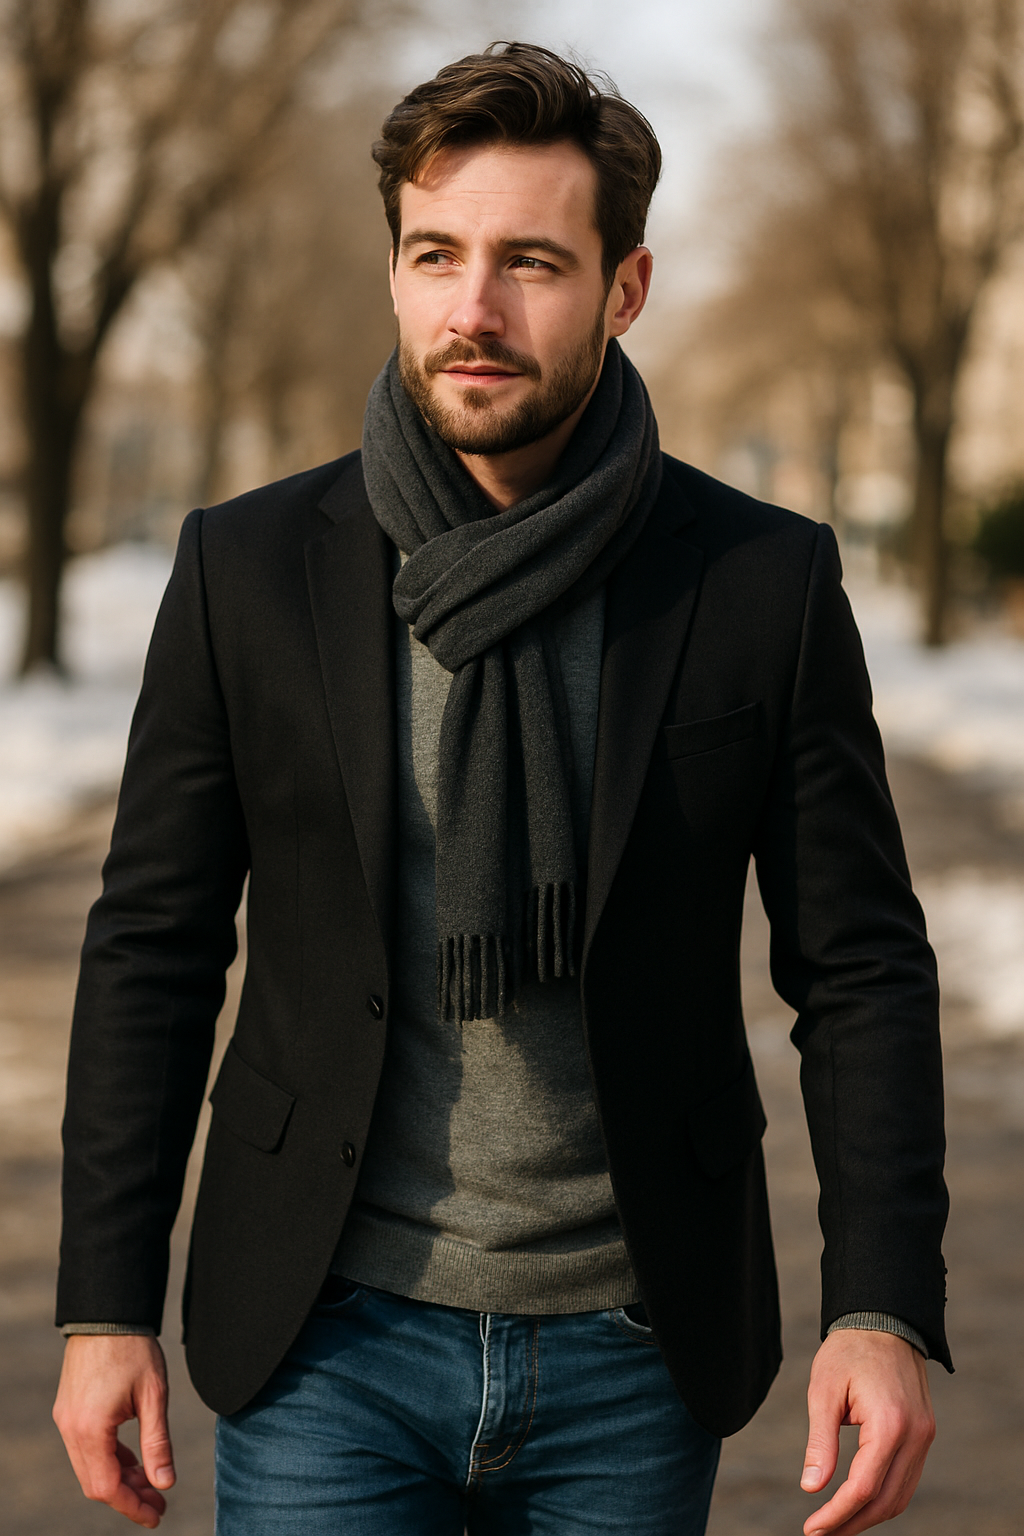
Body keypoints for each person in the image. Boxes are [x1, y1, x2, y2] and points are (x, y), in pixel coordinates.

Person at [52, 42, 949, 1536]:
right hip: (326, 1340)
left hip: (632, 1349)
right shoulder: (247, 569)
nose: (473, 309)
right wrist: (103, 1302)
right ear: (396, 273)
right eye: (435, 255)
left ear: (625, 287)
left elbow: (860, 966)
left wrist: (884, 1307)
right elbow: (152, 944)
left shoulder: (755, 583)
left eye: (531, 261)